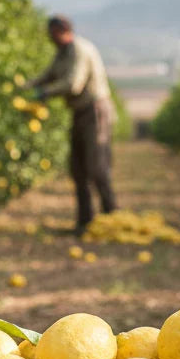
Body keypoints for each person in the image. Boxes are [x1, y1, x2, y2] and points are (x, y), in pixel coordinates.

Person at [26, 15, 117, 234]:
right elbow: (49, 74)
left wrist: (45, 93)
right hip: (79, 112)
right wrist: (26, 87)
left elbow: (73, 84)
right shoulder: (62, 52)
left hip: (95, 111)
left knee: (96, 166)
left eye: (52, 33)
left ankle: (112, 216)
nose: (50, 38)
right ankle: (85, 222)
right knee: (77, 168)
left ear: (62, 31)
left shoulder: (79, 50)